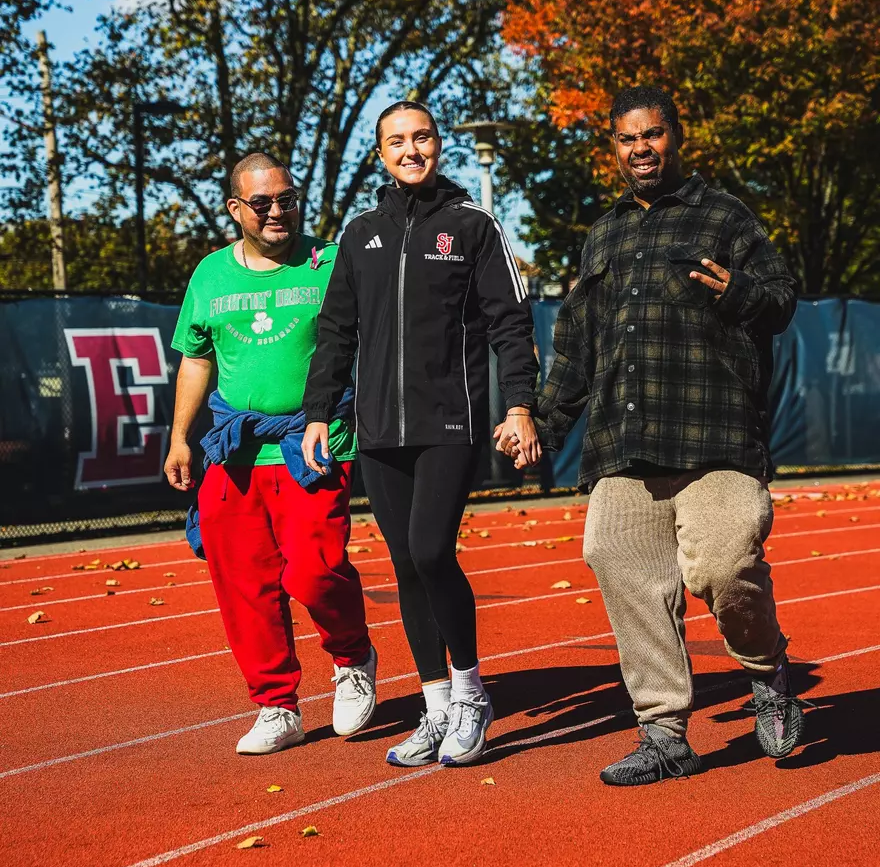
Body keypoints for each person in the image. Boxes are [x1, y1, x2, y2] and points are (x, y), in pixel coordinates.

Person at [499, 85, 807, 785]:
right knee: (616, 559)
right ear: (614, 148)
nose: (642, 148)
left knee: (723, 569)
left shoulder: (725, 216)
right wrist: (542, 423)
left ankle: (768, 671)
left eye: (654, 134)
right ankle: (664, 732)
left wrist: (739, 292)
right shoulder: (602, 235)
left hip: (715, 436)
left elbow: (782, 298)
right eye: (627, 138)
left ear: (676, 137)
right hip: (623, 443)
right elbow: (575, 344)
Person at [301, 101, 540, 767]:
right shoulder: (359, 234)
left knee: (433, 551)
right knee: (406, 564)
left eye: (422, 137)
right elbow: (336, 332)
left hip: (449, 422)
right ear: (380, 153)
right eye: (396, 141)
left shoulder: (472, 226)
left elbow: (510, 324)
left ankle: (470, 695)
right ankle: (436, 709)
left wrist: (520, 405)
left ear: (438, 145)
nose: (411, 149)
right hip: (378, 430)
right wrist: (320, 410)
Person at [164, 152, 377, 755]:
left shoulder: (330, 261)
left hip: (312, 443)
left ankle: (353, 656)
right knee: (243, 585)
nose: (278, 210)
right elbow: (197, 358)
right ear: (236, 209)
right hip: (234, 451)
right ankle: (276, 704)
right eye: (263, 202)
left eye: (287, 198)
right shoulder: (210, 275)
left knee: (313, 572)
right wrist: (181, 437)